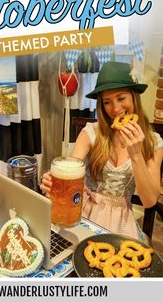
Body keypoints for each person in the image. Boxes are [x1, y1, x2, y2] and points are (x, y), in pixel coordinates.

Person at [40, 61, 163, 241]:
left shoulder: (153, 143)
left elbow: (149, 201)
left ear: (134, 97)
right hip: (84, 211)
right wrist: (53, 180)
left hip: (121, 219)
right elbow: (71, 165)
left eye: (121, 98)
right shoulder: (91, 132)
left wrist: (136, 155)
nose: (115, 109)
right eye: (107, 102)